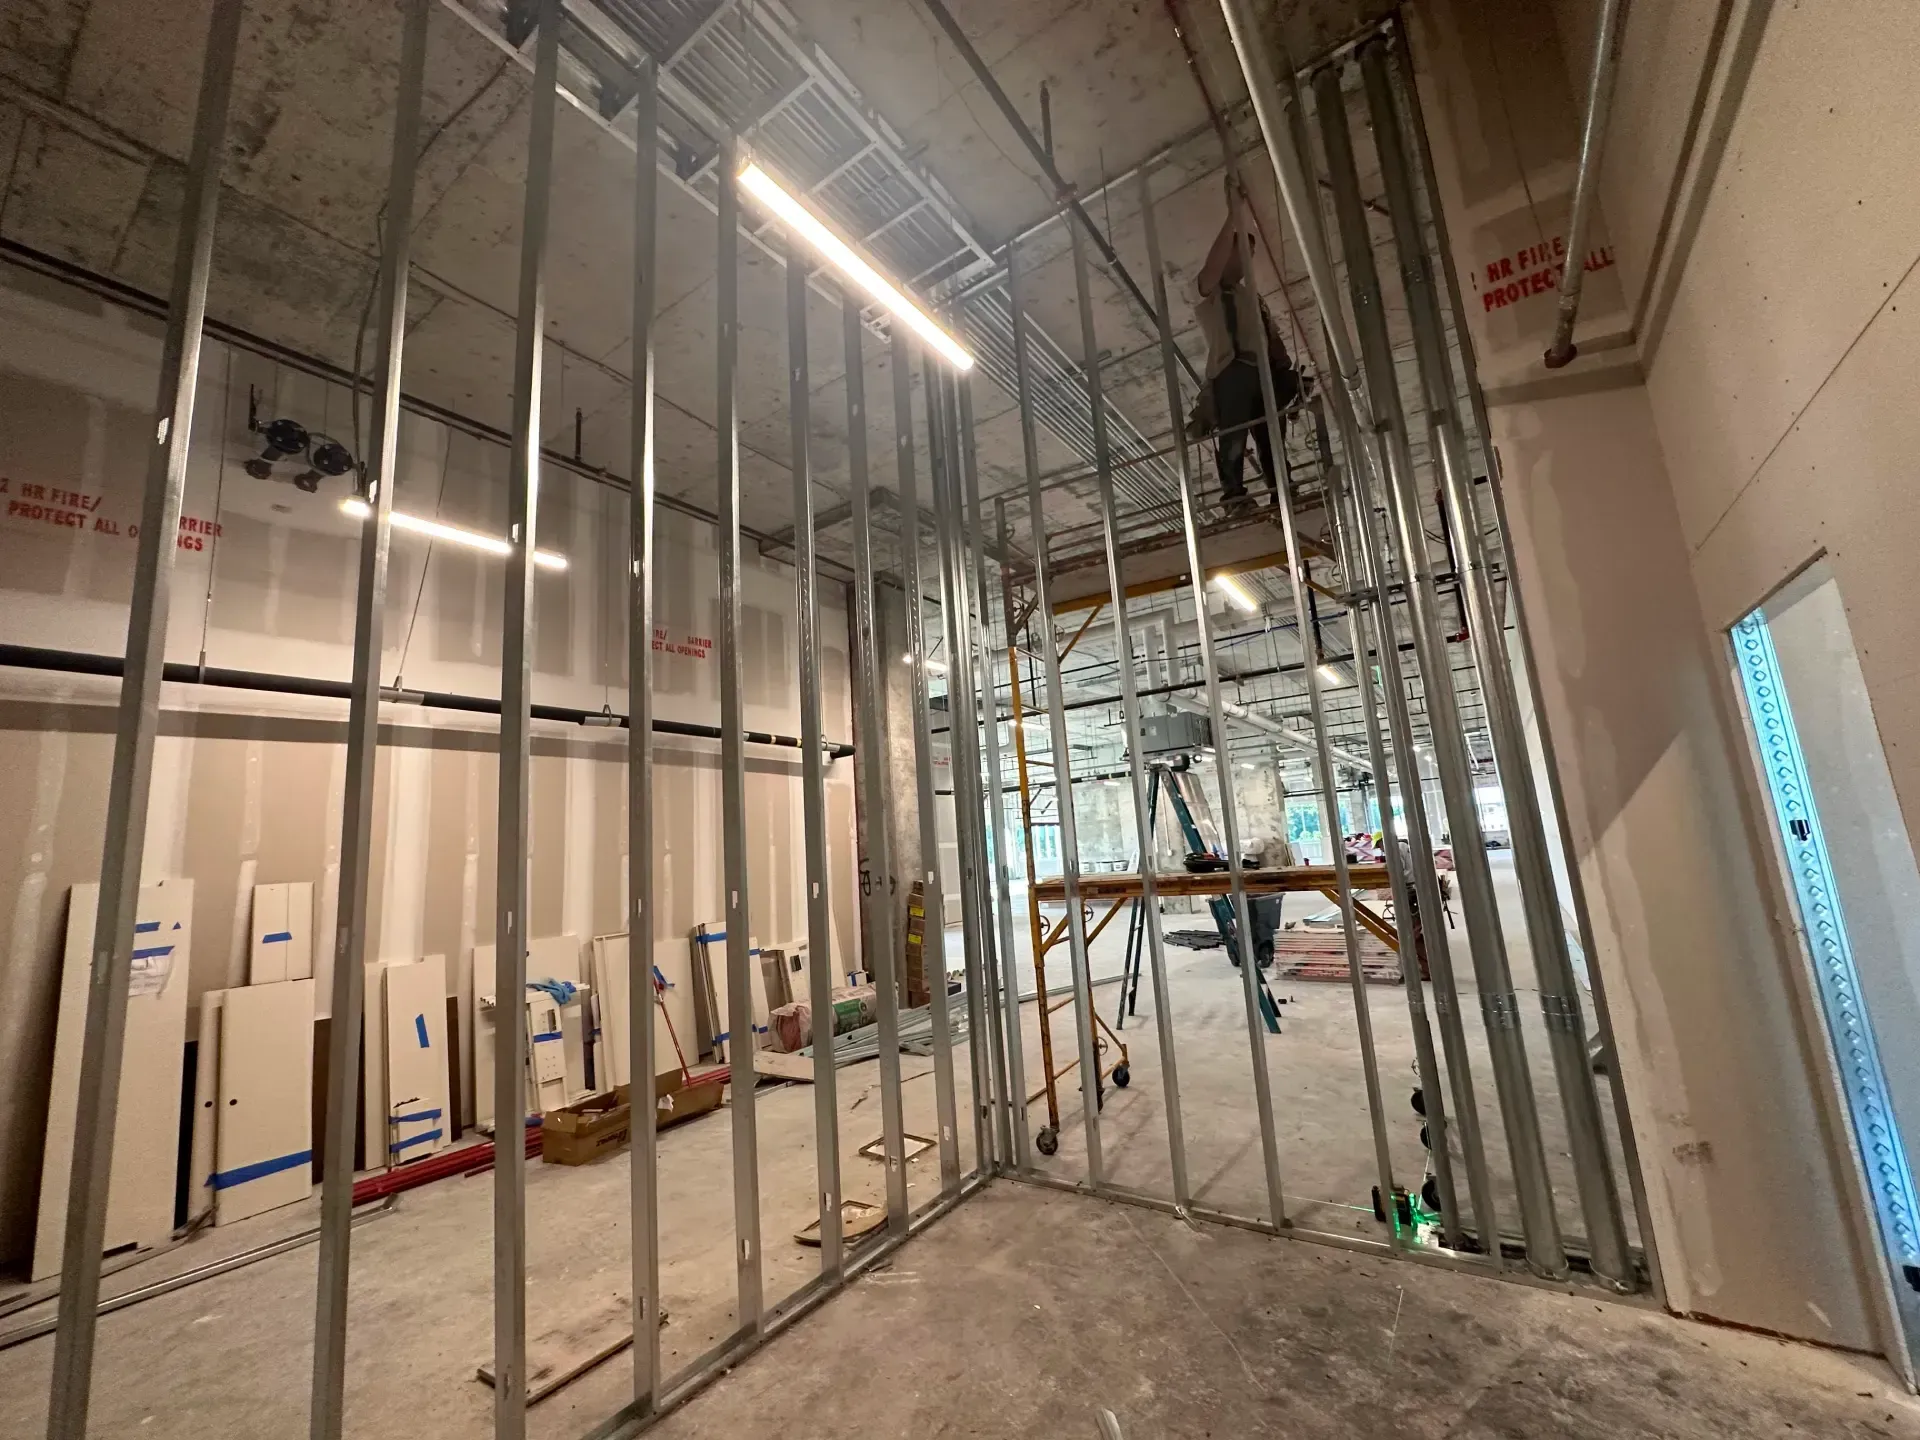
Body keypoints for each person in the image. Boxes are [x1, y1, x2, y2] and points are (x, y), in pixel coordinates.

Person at [1189, 180, 1303, 514]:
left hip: (1263, 373)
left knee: (1272, 440)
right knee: (1234, 437)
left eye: (1249, 255)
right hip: (1232, 371)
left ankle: (1281, 493)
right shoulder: (1211, 291)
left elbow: (1273, 339)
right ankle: (1234, 498)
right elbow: (1213, 265)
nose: (1245, 260)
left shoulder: (1253, 299)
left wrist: (1289, 376)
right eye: (1240, 253)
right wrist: (1233, 218)